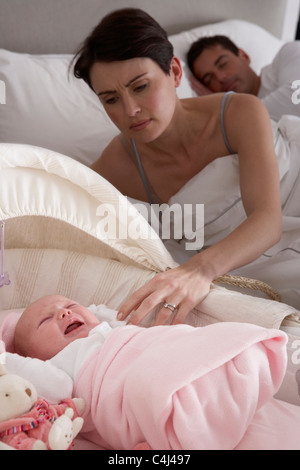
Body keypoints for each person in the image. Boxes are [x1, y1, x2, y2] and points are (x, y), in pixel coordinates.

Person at [72, 8, 282, 326]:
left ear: (174, 72)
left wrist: (198, 271)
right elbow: (54, 202)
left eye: (141, 86)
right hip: (245, 266)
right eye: (111, 99)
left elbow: (268, 219)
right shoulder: (118, 166)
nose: (131, 110)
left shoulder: (239, 112)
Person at [9, 295, 300, 450]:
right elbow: (18, 369)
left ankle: (227, 373)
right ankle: (192, 413)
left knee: (197, 343)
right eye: (45, 320)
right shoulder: (56, 370)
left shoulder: (109, 329)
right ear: (29, 357)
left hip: (164, 353)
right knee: (147, 383)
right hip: (138, 389)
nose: (64, 312)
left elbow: (104, 312)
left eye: (70, 306)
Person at [187, 35, 300, 121]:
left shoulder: (290, 52)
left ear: (243, 56)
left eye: (223, 64)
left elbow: (296, 97)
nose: (220, 77)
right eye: (209, 79)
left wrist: (227, 112)